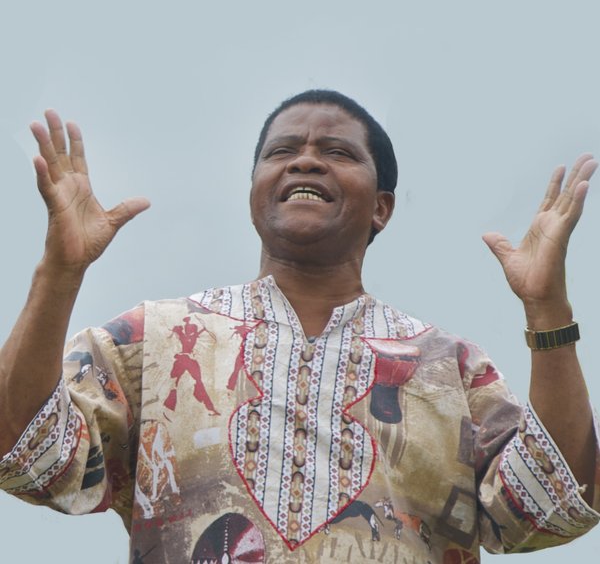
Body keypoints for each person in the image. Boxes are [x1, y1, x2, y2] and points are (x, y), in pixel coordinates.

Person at [0, 90, 598, 564]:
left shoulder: (452, 367)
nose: (306, 159)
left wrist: (547, 309)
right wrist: (59, 272)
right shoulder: (152, 339)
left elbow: (553, 507)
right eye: (281, 150)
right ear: (254, 193)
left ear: (382, 207)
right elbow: (27, 455)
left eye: (338, 152)